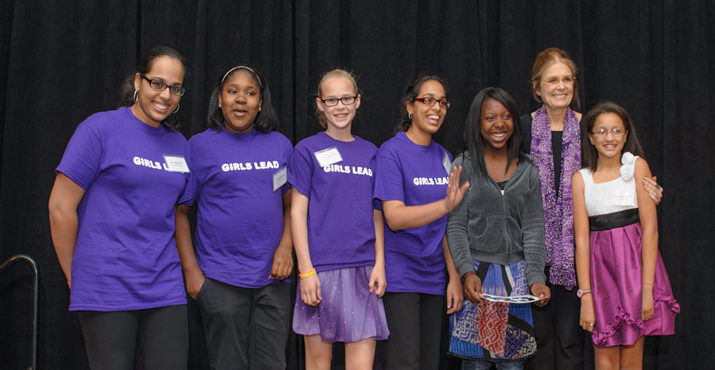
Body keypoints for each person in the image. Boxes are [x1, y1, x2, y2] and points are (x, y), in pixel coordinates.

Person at [521, 47, 664, 370]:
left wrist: (649, 192)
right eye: (552, 80)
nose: (560, 86)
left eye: (567, 79)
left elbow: (618, 178)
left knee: (573, 340)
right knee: (537, 344)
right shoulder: (522, 130)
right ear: (537, 87)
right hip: (532, 252)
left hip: (584, 259)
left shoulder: (593, 130)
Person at [48, 45, 190, 370]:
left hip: (164, 284)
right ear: (138, 81)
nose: (165, 95)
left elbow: (178, 211)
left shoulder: (179, 145)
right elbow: (59, 207)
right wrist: (75, 274)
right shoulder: (99, 129)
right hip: (107, 282)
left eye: (175, 88)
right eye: (158, 83)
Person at [174, 65, 293, 369]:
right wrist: (192, 272)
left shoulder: (280, 145)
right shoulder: (199, 146)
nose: (241, 99)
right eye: (233, 91)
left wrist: (285, 247)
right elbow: (179, 211)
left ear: (261, 102)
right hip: (220, 280)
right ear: (220, 99)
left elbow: (294, 205)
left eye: (250, 93)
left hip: (272, 280)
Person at [289, 69, 389, 370]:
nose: (340, 106)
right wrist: (305, 270)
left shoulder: (371, 153)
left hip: (363, 271)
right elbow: (297, 212)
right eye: (331, 100)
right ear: (320, 104)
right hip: (320, 273)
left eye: (346, 98)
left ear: (357, 101)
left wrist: (380, 263)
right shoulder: (306, 150)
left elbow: (377, 213)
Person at [447, 87, 550, 370]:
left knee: (512, 366)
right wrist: (465, 271)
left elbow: (533, 229)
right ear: (477, 124)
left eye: (506, 116)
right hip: (476, 282)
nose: (499, 124)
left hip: (516, 283)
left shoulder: (528, 170)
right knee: (475, 365)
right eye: (490, 118)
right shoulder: (463, 165)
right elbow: (455, 226)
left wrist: (536, 278)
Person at [572, 101, 679, 370]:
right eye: (602, 131)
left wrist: (646, 290)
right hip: (601, 277)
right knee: (604, 357)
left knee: (632, 356)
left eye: (616, 130)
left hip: (635, 274)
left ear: (626, 134)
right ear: (591, 137)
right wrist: (586, 296)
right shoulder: (581, 179)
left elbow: (650, 230)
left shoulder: (637, 167)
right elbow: (582, 241)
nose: (610, 138)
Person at [373, 75, 467, 370]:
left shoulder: (444, 157)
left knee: (429, 362)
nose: (436, 107)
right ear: (409, 107)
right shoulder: (391, 151)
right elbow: (395, 218)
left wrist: (453, 277)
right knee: (406, 362)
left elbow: (445, 224)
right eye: (428, 100)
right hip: (401, 275)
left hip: (434, 275)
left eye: (442, 102)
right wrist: (444, 204)